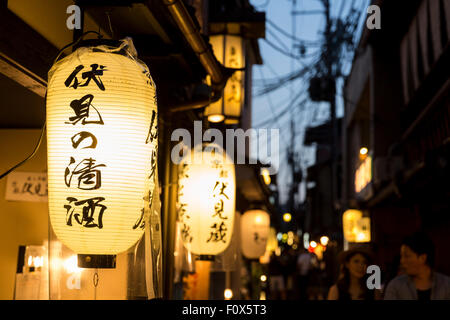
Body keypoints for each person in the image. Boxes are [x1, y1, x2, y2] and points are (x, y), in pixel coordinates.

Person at [384, 232, 450, 300]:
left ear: (422, 258)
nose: (402, 261)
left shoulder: (446, 285)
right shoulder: (396, 286)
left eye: (407, 256)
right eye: (402, 256)